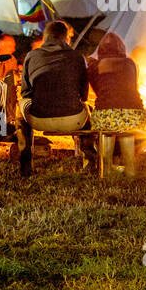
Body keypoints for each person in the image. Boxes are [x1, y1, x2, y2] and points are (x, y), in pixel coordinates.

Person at [17, 20, 96, 176]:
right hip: (74, 119)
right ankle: (90, 160)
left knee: (21, 109)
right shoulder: (77, 56)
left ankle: (25, 163)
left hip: (38, 119)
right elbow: (84, 95)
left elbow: (26, 92)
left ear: (45, 37)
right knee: (88, 110)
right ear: (66, 38)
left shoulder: (32, 56)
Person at [86, 31, 146, 173]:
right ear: (122, 48)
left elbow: (98, 90)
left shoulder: (94, 67)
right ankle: (130, 169)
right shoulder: (131, 63)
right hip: (134, 115)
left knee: (107, 124)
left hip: (107, 115)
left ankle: (105, 170)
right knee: (126, 129)